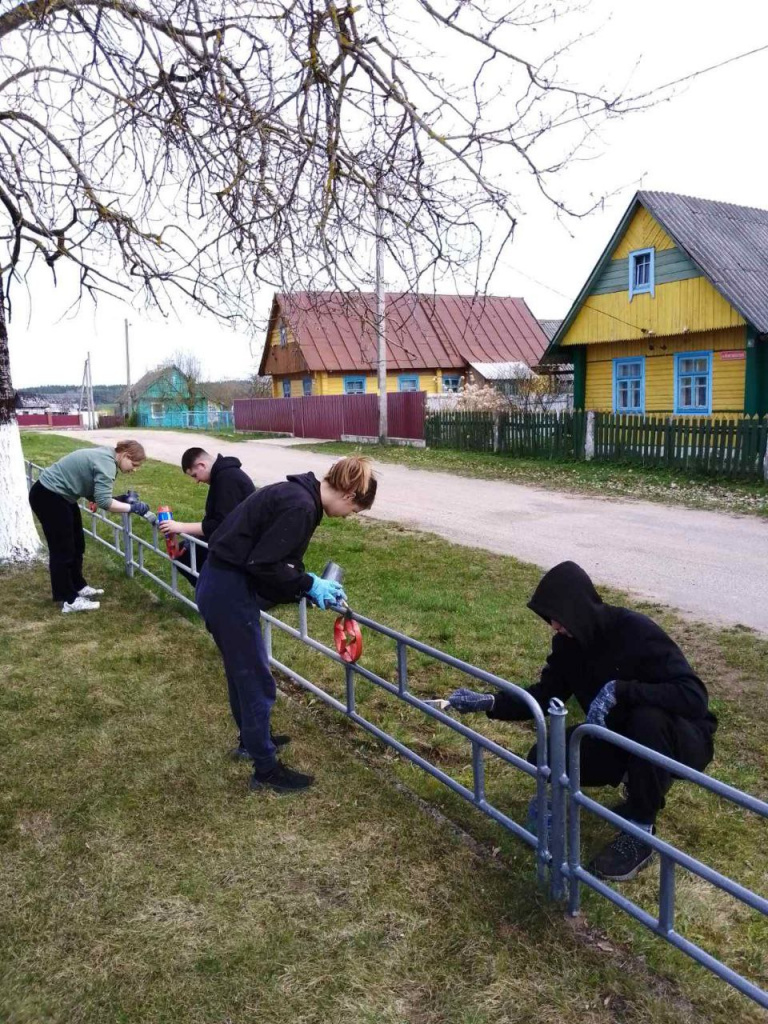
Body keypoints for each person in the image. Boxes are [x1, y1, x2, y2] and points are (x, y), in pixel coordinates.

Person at [447, 561, 717, 882]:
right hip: (617, 735)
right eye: (550, 620)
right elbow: (545, 694)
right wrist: (492, 701)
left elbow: (694, 696)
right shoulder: (568, 646)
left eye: (557, 618)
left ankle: (640, 830)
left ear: (577, 608)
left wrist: (623, 690)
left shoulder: (634, 631)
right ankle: (636, 775)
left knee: (648, 720)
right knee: (546, 754)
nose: (554, 627)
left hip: (679, 738)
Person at [196, 455, 378, 794]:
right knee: (255, 680)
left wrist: (300, 583)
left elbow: (277, 558)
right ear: (350, 495)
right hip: (228, 592)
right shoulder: (301, 506)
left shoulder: (295, 494)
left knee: (242, 672)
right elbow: (264, 564)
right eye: (354, 511)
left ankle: (252, 740)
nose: (348, 516)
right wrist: (308, 584)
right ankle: (266, 769)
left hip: (219, 583)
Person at [29, 440, 150, 614]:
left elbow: (93, 490)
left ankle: (78, 586)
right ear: (124, 455)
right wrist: (133, 507)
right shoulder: (107, 464)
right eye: (134, 464)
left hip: (61, 496)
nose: (135, 469)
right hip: (49, 496)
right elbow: (104, 502)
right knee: (62, 550)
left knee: (77, 544)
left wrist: (121, 499)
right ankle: (68, 600)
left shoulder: (107, 455)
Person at [157, 447, 255, 585]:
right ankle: (209, 594)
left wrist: (180, 527)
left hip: (239, 545)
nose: (196, 481)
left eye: (194, 475)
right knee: (183, 555)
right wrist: (192, 536)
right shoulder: (222, 476)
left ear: (202, 465)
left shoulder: (227, 479)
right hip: (228, 539)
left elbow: (220, 526)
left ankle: (212, 596)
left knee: (188, 558)